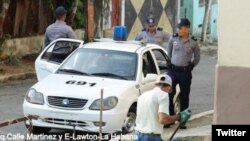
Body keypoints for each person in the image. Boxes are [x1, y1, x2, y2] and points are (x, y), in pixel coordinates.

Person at [134, 74, 191, 141]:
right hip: (151, 137)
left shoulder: (143, 95)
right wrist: (180, 116)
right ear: (169, 88)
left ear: (156, 85)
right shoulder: (163, 94)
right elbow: (163, 119)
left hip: (137, 135)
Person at [167, 18, 200, 129]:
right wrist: (170, 63)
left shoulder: (193, 42)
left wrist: (192, 65)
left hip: (185, 73)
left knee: (184, 96)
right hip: (172, 71)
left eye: (180, 28)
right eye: (178, 27)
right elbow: (169, 52)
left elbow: (197, 57)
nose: (178, 30)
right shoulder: (173, 38)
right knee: (168, 94)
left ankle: (182, 121)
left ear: (187, 29)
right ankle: (170, 119)